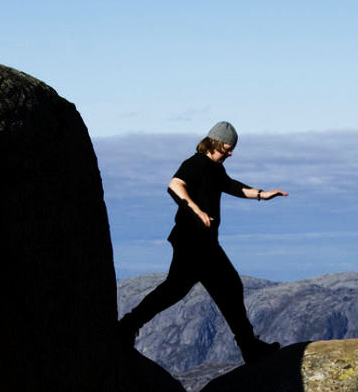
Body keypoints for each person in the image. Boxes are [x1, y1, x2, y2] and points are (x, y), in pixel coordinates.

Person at [122, 125, 287, 363]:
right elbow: (175, 185)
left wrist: (263, 194)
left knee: (213, 288)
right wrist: (196, 210)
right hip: (192, 242)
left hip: (204, 243)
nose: (230, 154)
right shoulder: (196, 163)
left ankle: (128, 325)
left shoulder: (215, 169)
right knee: (202, 288)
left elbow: (234, 187)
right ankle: (128, 325)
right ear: (215, 142)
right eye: (228, 149)